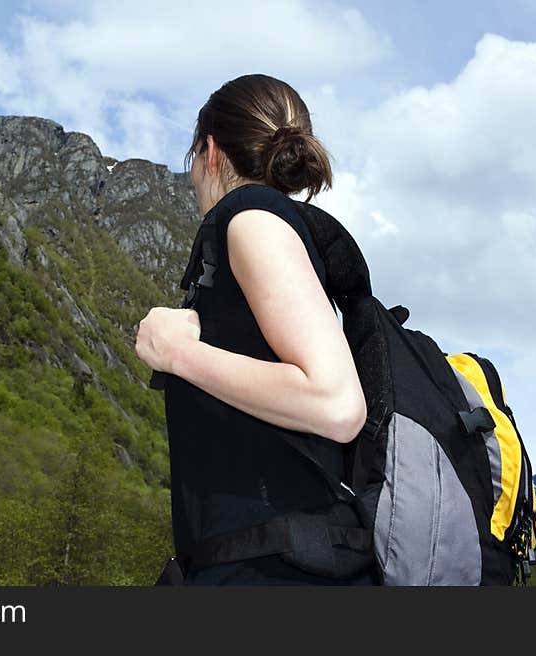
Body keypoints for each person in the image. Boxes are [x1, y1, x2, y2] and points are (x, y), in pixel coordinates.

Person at [135, 73, 373, 585]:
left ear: (210, 150)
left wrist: (178, 354)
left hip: (280, 573)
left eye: (191, 159)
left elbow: (336, 404)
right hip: (257, 565)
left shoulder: (251, 219)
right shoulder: (254, 228)